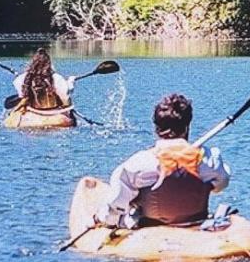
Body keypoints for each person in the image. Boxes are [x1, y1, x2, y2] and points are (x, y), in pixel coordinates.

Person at [95, 93, 230, 229]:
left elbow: (117, 204)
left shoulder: (140, 163)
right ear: (187, 127)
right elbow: (222, 183)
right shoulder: (207, 157)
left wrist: (101, 218)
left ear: (156, 129)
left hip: (150, 227)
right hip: (195, 223)